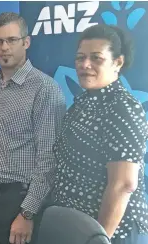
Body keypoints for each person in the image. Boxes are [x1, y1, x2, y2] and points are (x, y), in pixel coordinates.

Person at [49, 24, 148, 244]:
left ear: (118, 62)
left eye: (96, 58)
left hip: (111, 234)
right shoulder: (82, 103)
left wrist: (98, 239)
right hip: (77, 228)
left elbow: (123, 184)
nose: (85, 65)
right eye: (80, 57)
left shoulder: (122, 107)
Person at [0, 12, 66, 244]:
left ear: (26, 42)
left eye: (12, 40)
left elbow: (49, 158)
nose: (4, 47)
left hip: (19, 201)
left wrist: (27, 213)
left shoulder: (45, 89)